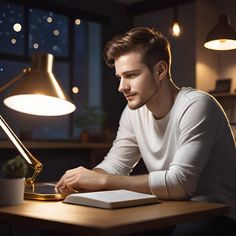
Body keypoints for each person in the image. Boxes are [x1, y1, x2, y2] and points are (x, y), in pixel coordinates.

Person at [56, 27, 236, 235]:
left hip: (220, 217)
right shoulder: (134, 111)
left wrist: (102, 181)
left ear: (160, 70)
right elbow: (115, 165)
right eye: (119, 77)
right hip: (172, 210)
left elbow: (180, 184)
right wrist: (85, 179)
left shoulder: (197, 105)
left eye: (131, 75)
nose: (121, 87)